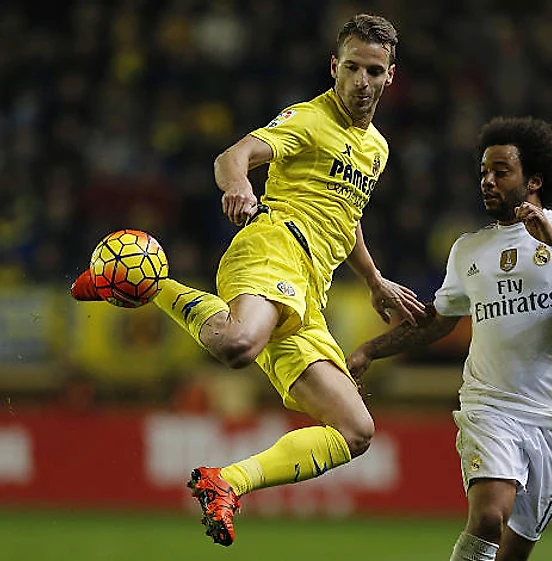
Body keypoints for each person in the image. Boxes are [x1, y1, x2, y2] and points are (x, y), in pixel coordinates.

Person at [71, 13, 424, 547]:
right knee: (237, 344)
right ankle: (149, 282)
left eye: (373, 71)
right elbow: (233, 155)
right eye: (351, 67)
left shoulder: (377, 148)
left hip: (308, 293)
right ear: (335, 66)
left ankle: (225, 483)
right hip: (273, 249)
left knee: (356, 430)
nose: (361, 81)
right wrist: (238, 183)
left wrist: (374, 280)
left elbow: (344, 216)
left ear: (390, 76)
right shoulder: (309, 119)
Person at [346, 116, 552, 561]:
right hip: (491, 405)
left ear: (534, 180)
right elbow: (438, 321)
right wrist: (370, 350)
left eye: (501, 171)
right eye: (483, 171)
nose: (487, 181)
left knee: (512, 554)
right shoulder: (468, 249)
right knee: (486, 518)